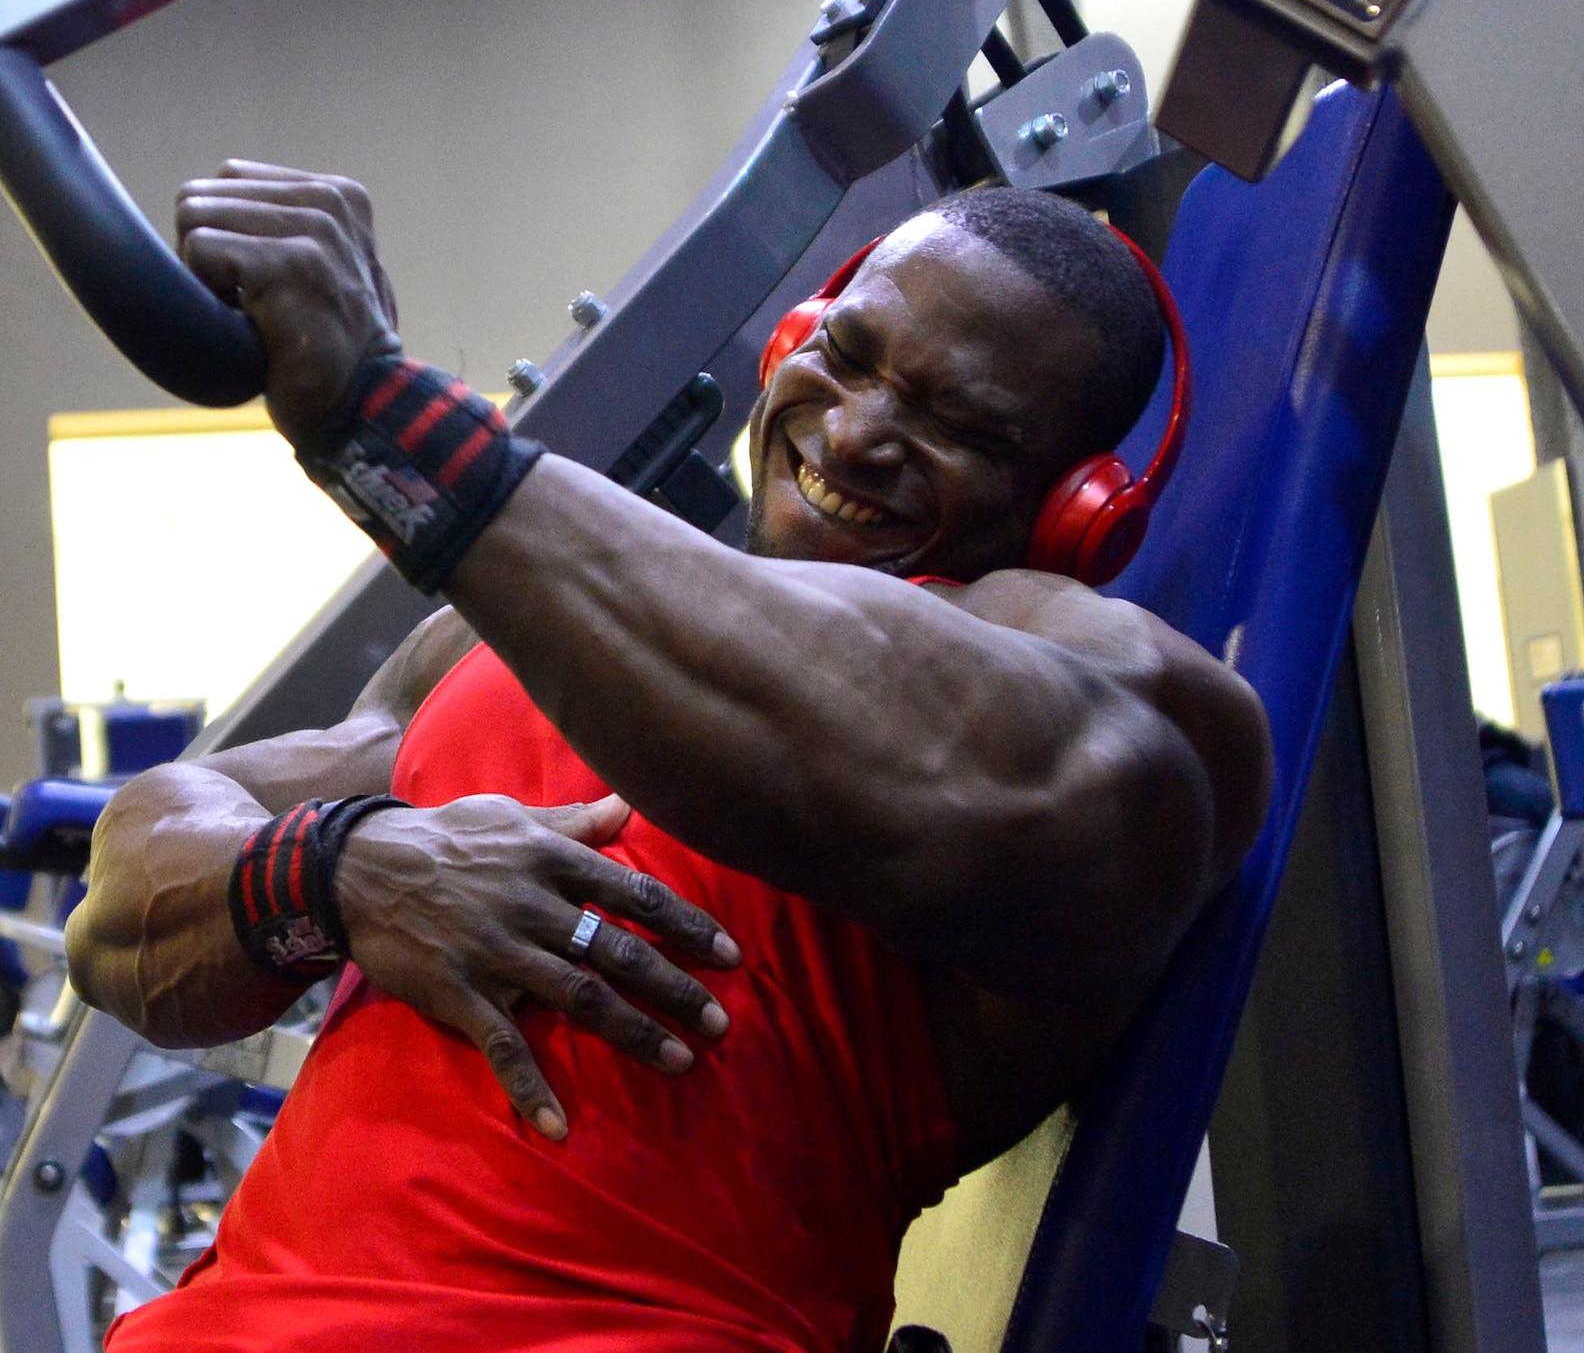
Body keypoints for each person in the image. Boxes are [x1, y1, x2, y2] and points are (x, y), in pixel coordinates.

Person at [67, 168, 1272, 1353]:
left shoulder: (1117, 701)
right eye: (845, 356)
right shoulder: (502, 630)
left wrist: (386, 424)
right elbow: (118, 916)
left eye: (957, 425)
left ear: (1076, 505)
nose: (852, 435)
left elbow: (959, 778)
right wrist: (334, 867)